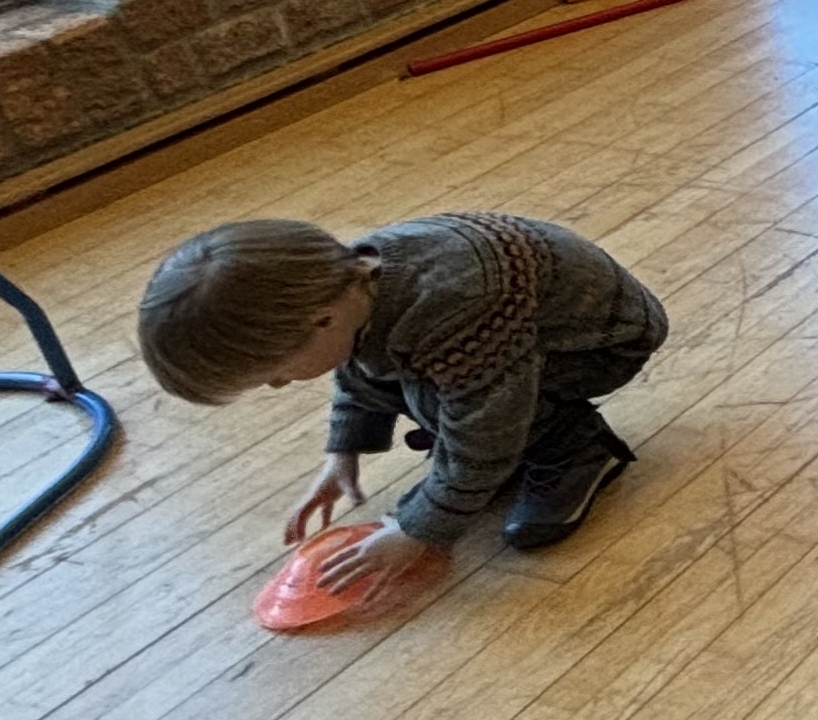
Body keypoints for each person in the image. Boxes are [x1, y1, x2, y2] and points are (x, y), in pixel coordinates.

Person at [137, 212, 669, 600]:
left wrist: (420, 530)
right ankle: (515, 453)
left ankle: (573, 447)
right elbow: (358, 365)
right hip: (522, 339)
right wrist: (343, 453)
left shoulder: (455, 312)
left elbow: (484, 431)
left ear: (321, 320)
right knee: (434, 393)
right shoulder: (346, 287)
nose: (279, 385)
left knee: (449, 407)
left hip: (604, 343)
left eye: (276, 373)